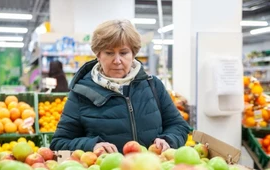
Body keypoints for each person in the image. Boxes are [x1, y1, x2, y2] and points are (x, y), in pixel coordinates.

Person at [50, 19, 190, 153]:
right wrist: (92, 146)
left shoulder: (152, 85)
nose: (117, 60)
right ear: (98, 55)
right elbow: (59, 142)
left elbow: (179, 126)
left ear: (133, 54)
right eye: (109, 53)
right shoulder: (82, 93)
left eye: (123, 53)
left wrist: (168, 140)